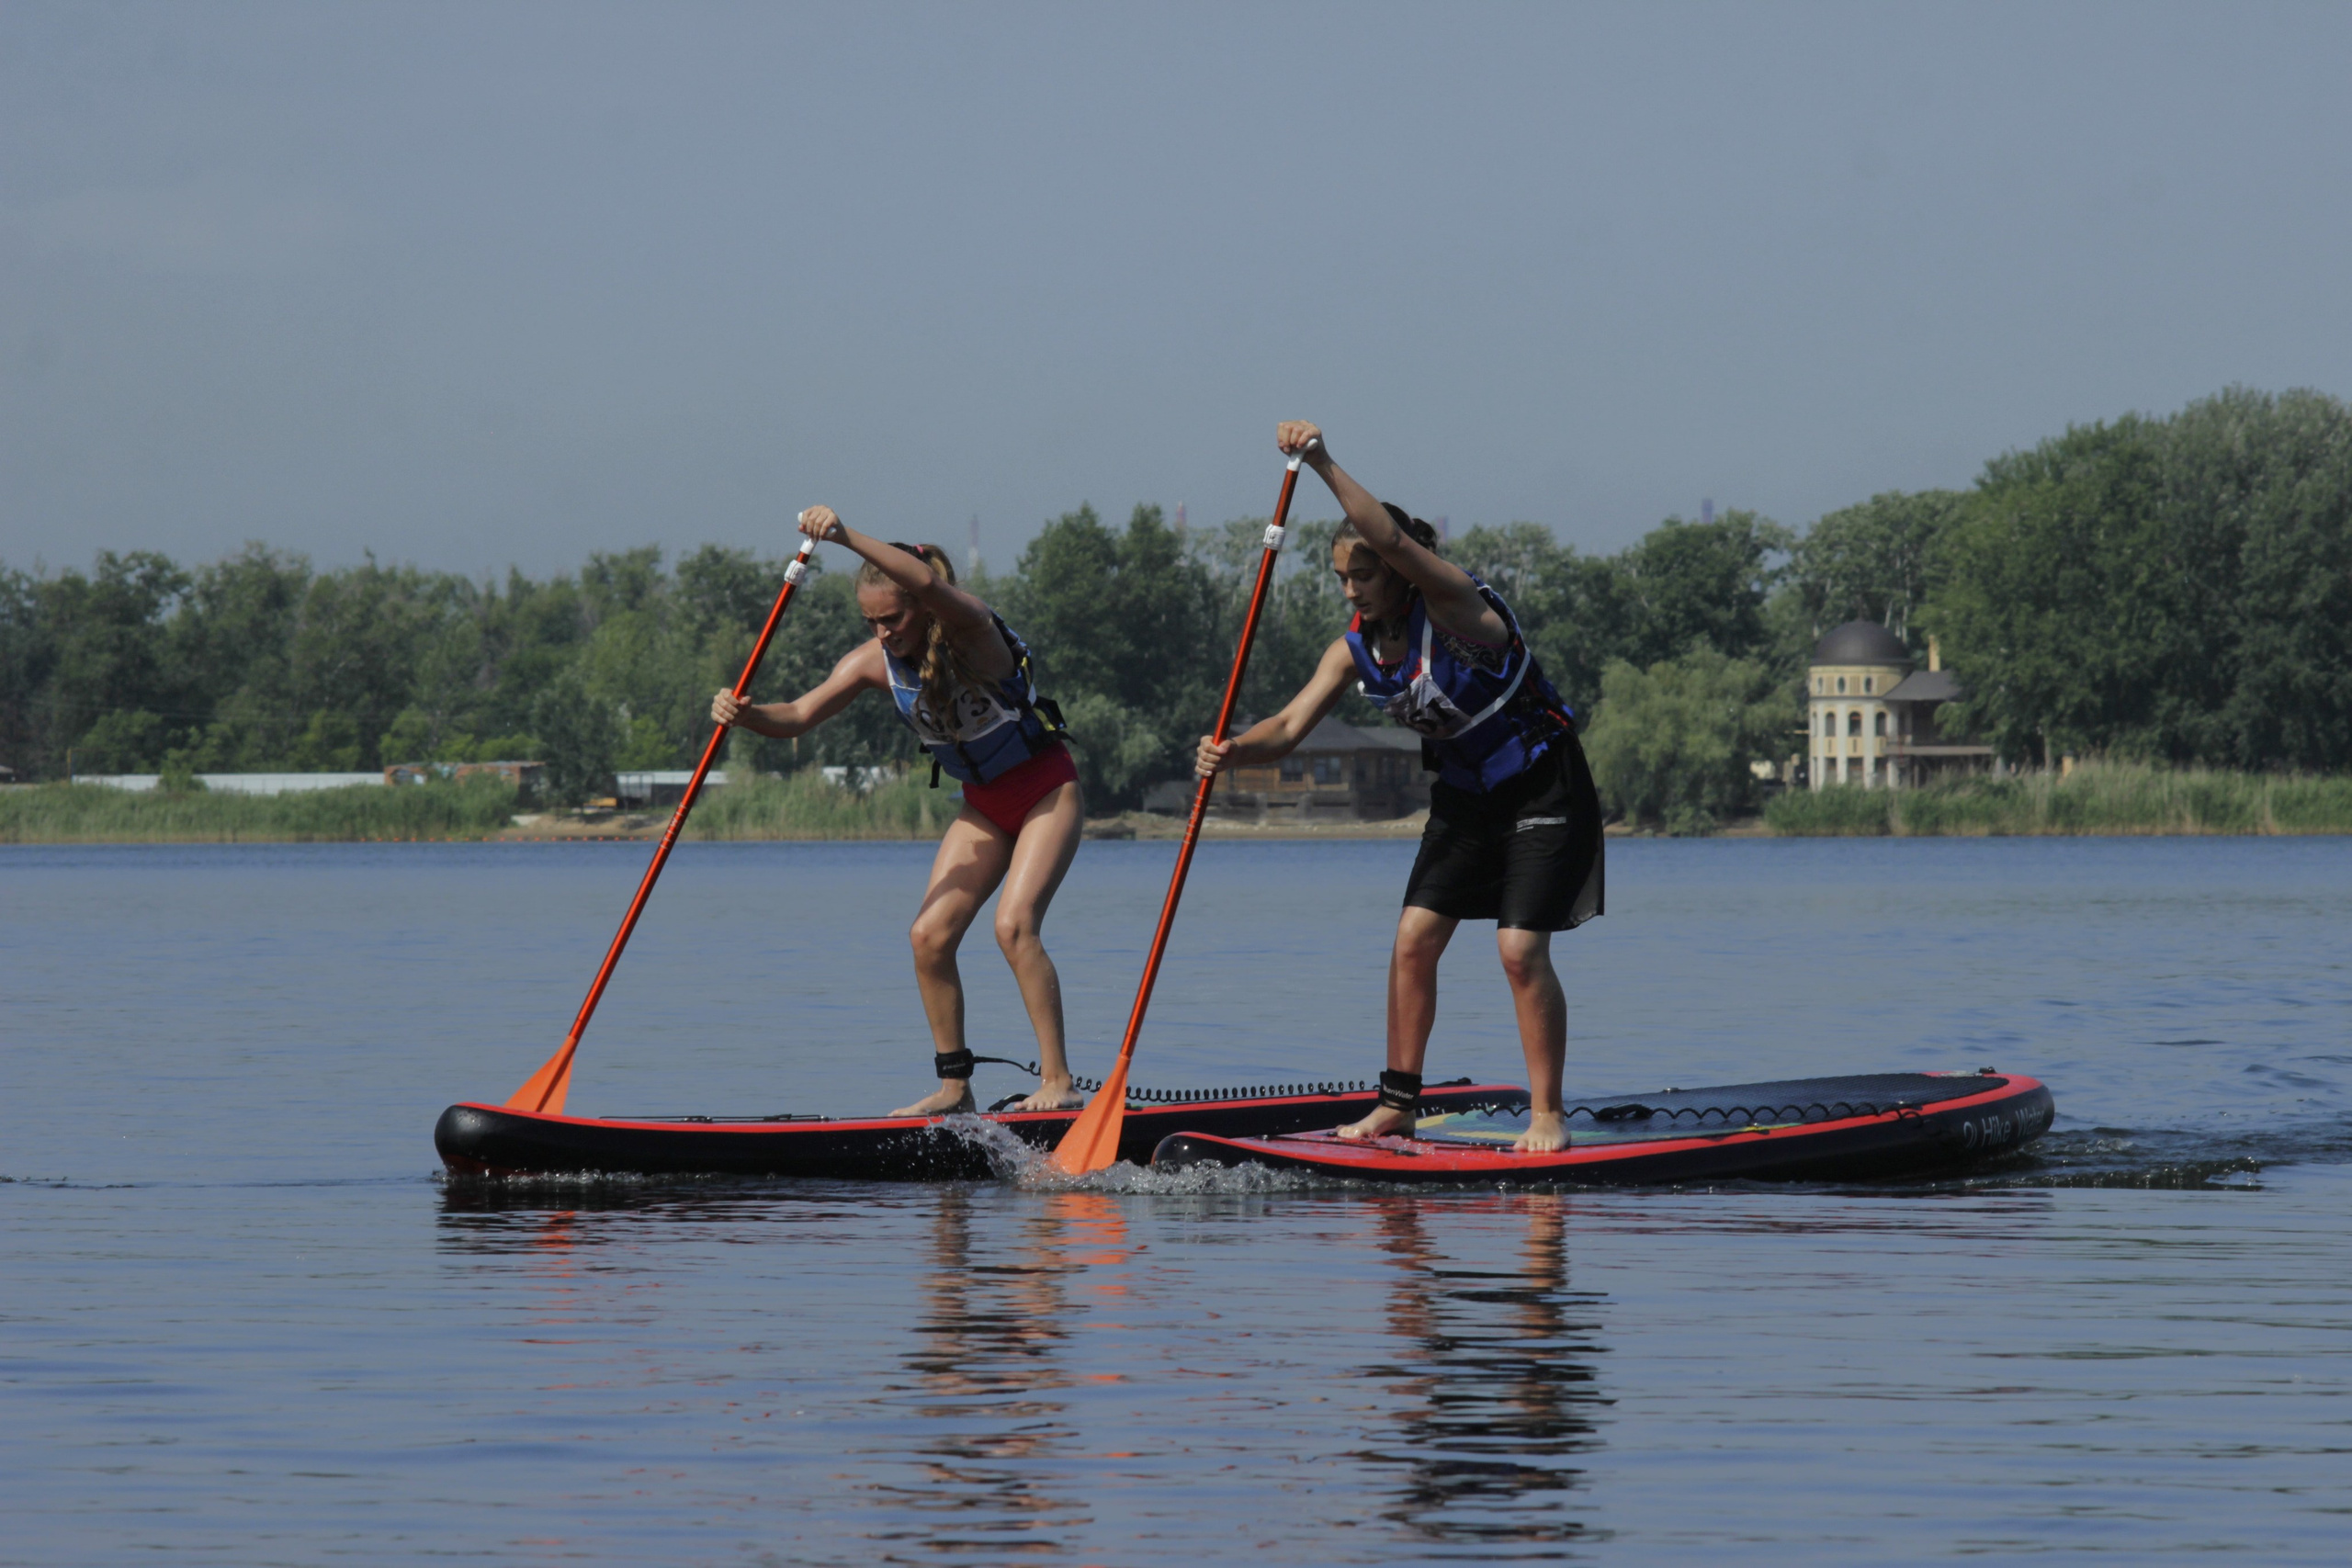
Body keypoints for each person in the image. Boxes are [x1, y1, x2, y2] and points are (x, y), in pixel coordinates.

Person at [1194, 423, 1604, 1153]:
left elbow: (1390, 537)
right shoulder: (1353, 649)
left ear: (1399, 570)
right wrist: (1229, 753)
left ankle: (1548, 1114)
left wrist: (1318, 462)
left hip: (1544, 788)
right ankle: (1397, 1103)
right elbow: (1287, 727)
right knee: (1413, 940)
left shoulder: (1454, 607)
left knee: (1518, 950)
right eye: (1342, 580)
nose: (1352, 591)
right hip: (1465, 798)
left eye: (1365, 575)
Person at [713, 506, 1087, 1117]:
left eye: (892, 618)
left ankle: (1059, 1081)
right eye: (871, 621)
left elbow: (933, 586)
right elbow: (799, 715)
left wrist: (842, 536)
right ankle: (954, 1087)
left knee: (1014, 926)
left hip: (1046, 789)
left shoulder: (971, 629)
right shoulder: (873, 663)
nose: (883, 632)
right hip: (985, 805)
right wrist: (744, 713)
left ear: (917, 605)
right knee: (928, 937)